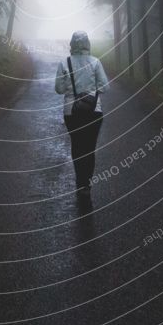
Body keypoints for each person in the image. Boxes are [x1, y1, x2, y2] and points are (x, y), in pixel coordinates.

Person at [55, 31, 109, 201]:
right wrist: (90, 93)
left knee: (77, 147)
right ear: (88, 44)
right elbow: (105, 87)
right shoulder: (95, 62)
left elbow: (59, 89)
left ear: (71, 44)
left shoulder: (64, 63)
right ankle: (86, 186)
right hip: (94, 111)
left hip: (71, 112)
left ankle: (80, 183)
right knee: (89, 149)